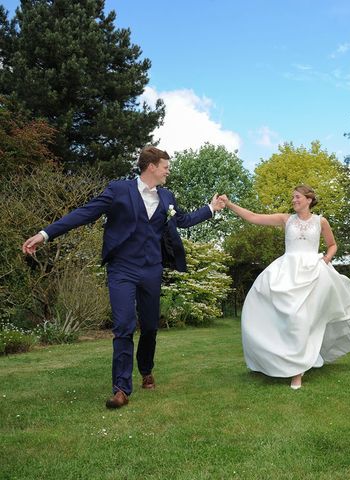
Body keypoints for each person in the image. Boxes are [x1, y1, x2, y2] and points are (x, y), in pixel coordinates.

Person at [22, 146, 225, 409]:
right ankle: (121, 388)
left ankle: (146, 369)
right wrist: (45, 234)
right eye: (166, 166)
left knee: (150, 326)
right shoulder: (119, 190)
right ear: (151, 166)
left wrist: (211, 207)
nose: (168, 171)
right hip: (122, 268)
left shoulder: (167, 197)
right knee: (124, 326)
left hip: (152, 269)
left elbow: (183, 220)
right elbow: (85, 212)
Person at [220, 185, 350, 389]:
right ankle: (278, 361)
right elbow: (253, 217)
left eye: (297, 197)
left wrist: (326, 259)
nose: (294, 200)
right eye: (293, 197)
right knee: (281, 315)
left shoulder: (321, 221)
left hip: (313, 274)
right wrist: (230, 204)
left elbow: (332, 245)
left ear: (309, 199)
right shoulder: (286, 219)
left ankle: (297, 372)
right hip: (287, 271)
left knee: (301, 320)